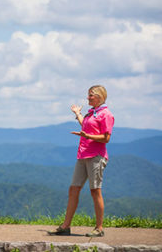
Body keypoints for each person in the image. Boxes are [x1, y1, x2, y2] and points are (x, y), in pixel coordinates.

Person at [49, 85, 114, 237]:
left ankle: (99, 228)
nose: (88, 98)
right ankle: (65, 226)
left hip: (96, 156)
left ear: (99, 96)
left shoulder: (106, 114)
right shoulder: (92, 113)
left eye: (91, 95)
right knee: (73, 189)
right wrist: (78, 114)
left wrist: (88, 136)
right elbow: (86, 126)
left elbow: (106, 138)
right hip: (83, 155)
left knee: (95, 191)